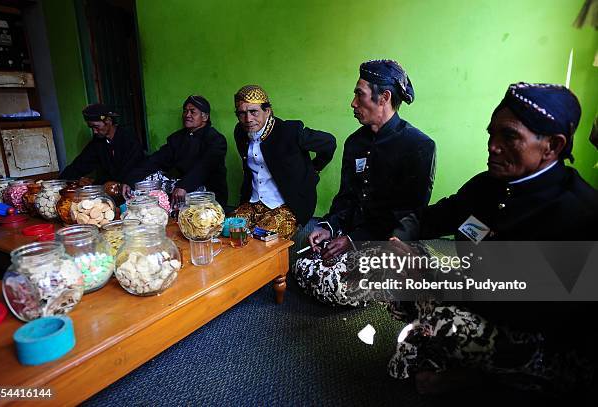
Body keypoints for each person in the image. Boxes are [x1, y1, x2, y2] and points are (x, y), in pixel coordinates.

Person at [388, 83, 598, 399]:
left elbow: (530, 311)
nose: (493, 146)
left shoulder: (578, 213)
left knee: (443, 318)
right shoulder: (489, 186)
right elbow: (430, 217)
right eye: (491, 134)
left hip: (543, 337)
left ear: (552, 146)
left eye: (509, 136)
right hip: (482, 293)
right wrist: (398, 241)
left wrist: (436, 278)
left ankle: (492, 381)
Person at [294, 59, 436, 306]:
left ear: (384, 98)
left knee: (336, 285)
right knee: (303, 264)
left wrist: (352, 240)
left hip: (390, 240)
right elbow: (346, 196)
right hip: (354, 229)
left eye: (360, 95)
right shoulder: (354, 143)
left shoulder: (419, 146)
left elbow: (409, 216)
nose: (353, 103)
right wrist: (329, 226)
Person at [230, 85, 336, 239]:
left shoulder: (289, 131)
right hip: (252, 202)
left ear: (267, 111)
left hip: (286, 205)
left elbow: (329, 142)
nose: (248, 119)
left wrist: (313, 171)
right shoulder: (240, 132)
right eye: (242, 113)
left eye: (254, 112)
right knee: (229, 233)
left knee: (262, 243)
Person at [124, 95, 228, 208]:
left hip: (208, 192)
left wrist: (184, 186)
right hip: (181, 190)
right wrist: (131, 180)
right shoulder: (177, 138)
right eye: (185, 111)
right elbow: (156, 160)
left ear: (205, 117)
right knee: (150, 180)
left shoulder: (216, 140)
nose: (187, 115)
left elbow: (204, 167)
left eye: (192, 112)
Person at [60, 104, 144, 185]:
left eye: (96, 127)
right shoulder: (98, 142)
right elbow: (79, 165)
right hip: (107, 190)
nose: (94, 131)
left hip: (130, 188)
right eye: (91, 127)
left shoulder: (128, 139)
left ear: (108, 121)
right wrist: (70, 180)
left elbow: (132, 172)